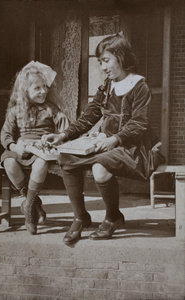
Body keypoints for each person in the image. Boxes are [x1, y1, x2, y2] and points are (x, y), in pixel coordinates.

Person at [42, 32, 165, 244]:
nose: (102, 67)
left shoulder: (139, 86)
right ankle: (81, 217)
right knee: (66, 159)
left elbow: (139, 123)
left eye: (106, 60)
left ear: (121, 57)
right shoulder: (107, 87)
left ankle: (113, 216)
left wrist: (114, 139)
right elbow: (89, 116)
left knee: (100, 168)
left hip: (133, 147)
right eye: (99, 62)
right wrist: (63, 135)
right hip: (108, 143)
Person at [0, 61, 69, 235]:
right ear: (25, 91)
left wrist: (58, 139)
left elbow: (66, 129)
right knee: (8, 161)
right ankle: (34, 203)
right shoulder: (16, 111)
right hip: (22, 149)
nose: (43, 91)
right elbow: (6, 135)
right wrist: (15, 146)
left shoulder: (50, 109)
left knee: (40, 164)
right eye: (37, 88)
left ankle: (29, 208)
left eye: (44, 87)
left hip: (41, 150)